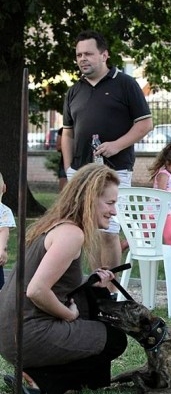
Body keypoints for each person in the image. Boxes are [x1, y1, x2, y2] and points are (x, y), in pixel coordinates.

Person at [0, 164, 128, 394]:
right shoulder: (72, 234)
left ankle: (78, 382)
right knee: (116, 339)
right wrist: (68, 314)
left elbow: (53, 282)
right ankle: (42, 380)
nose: (114, 211)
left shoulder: (54, 226)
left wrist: (93, 282)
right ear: (89, 199)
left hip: (13, 333)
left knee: (91, 297)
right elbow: (36, 290)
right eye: (110, 203)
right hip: (27, 335)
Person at [61, 29, 153, 278]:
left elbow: (145, 124)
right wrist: (69, 168)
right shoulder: (74, 91)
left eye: (88, 53)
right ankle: (95, 289)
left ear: (104, 55)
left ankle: (110, 293)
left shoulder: (125, 84)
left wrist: (117, 145)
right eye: (79, 54)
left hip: (115, 170)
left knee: (109, 230)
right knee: (88, 232)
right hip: (80, 173)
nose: (83, 59)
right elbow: (67, 132)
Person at [148, 142, 171, 246]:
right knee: (145, 237)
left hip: (166, 212)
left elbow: (169, 190)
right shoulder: (163, 175)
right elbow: (162, 194)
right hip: (153, 212)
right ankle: (125, 244)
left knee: (170, 237)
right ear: (167, 163)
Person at [0, 172, 16, 290]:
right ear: (4, 188)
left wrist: (2, 250)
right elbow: (3, 230)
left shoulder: (3, 211)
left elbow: (3, 230)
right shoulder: (4, 211)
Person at [55, 127, 68, 192]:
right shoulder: (62, 130)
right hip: (65, 162)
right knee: (63, 190)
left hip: (81, 162)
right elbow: (58, 147)